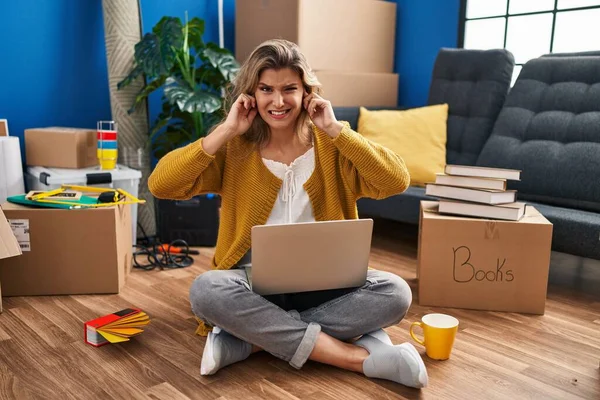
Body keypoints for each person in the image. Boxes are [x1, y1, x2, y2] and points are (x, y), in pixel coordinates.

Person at [148, 39, 428, 389]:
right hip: (252, 285)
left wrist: (336, 129)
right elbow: (161, 184)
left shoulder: (333, 144)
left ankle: (248, 340)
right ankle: (353, 357)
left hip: (328, 284)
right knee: (206, 290)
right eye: (266, 89)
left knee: (396, 293)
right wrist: (225, 130)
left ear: (306, 92)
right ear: (250, 94)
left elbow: (396, 179)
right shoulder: (235, 146)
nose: (277, 102)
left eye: (289, 89)